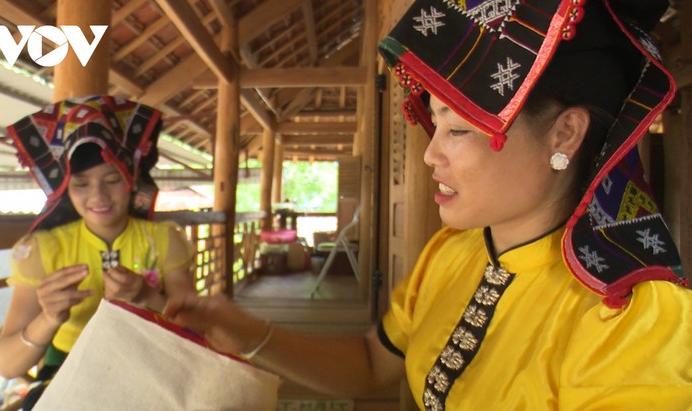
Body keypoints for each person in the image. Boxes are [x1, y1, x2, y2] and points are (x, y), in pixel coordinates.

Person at [162, 1, 692, 409]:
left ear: (565, 134)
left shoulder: (630, 319)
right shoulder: (452, 254)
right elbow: (373, 364)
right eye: (435, 124)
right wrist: (246, 332)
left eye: (458, 130)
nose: (430, 154)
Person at [0, 95, 197, 410]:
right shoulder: (41, 250)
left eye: (112, 180)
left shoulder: (164, 240)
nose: (98, 196)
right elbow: (7, 365)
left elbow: (198, 333)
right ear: (65, 187)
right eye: (81, 184)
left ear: (131, 179)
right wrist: (48, 318)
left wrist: (147, 297)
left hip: (152, 365)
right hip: (68, 369)